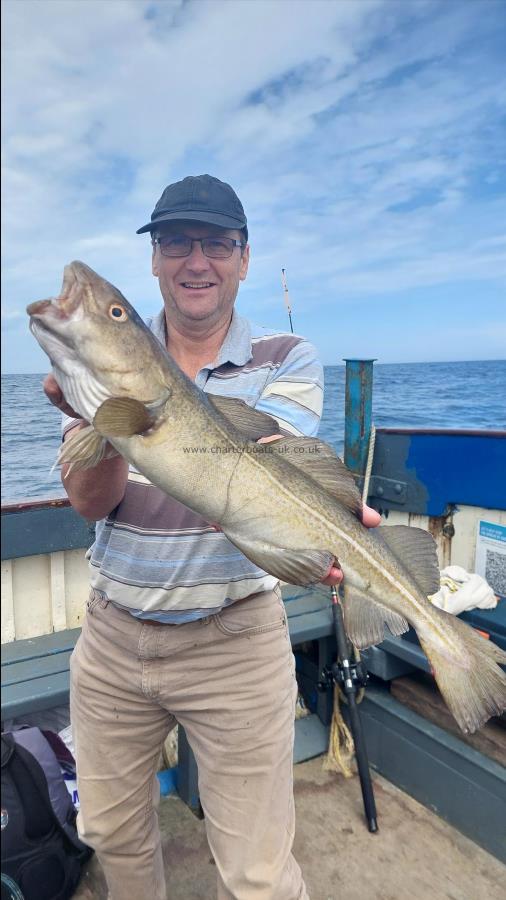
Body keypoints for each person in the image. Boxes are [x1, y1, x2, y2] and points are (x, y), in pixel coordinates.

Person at [44, 174, 380, 900]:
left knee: (258, 874)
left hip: (236, 641)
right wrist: (106, 420)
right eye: (175, 242)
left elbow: (267, 493)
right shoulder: (96, 373)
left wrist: (328, 535)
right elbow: (89, 503)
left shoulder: (288, 355)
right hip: (112, 638)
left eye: (217, 243)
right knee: (110, 832)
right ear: (156, 260)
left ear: (245, 258)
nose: (197, 260)